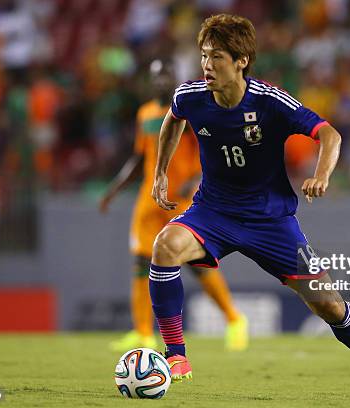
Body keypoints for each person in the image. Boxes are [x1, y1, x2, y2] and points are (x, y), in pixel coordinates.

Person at [149, 14, 350, 402]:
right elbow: (173, 120)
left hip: (270, 221)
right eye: (204, 56)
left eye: (216, 57)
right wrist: (160, 173)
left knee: (330, 306)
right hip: (214, 211)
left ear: (241, 61)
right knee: (165, 245)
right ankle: (176, 355)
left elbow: (330, 135)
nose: (207, 65)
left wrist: (321, 174)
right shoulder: (190, 95)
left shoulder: (270, 102)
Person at [100, 60, 248, 353]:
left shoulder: (189, 110)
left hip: (181, 198)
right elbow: (140, 158)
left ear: (174, 77)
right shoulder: (145, 113)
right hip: (149, 199)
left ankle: (234, 320)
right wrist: (113, 190)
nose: (160, 81)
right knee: (141, 264)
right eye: (155, 76)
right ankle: (143, 333)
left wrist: (193, 179)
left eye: (165, 75)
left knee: (197, 264)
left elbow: (210, 149)